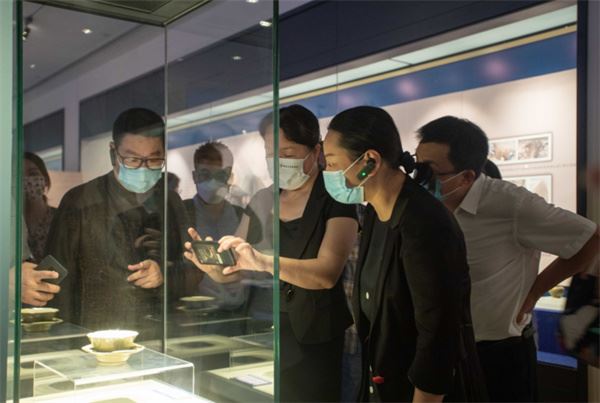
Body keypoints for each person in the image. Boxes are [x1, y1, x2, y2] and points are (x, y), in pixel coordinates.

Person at [414, 115, 599, 402]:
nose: (421, 179)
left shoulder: (511, 204)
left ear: (466, 176)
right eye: (418, 167)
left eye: (431, 172)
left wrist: (536, 290)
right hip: (440, 349)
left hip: (496, 356)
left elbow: (591, 239)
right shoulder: (427, 207)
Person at [184, 104, 358, 402]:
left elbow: (326, 274)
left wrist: (264, 262)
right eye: (270, 153)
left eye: (287, 153)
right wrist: (215, 268)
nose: (278, 161)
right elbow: (238, 267)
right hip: (262, 328)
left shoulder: (336, 198)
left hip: (314, 336)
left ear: (315, 151)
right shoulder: (264, 199)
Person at [320, 106, 485, 402]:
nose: (328, 173)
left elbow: (438, 333)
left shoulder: (424, 222)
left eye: (332, 163)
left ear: (369, 161)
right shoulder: (375, 213)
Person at [47, 108, 197, 338]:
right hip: (95, 334)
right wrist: (62, 341)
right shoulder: (81, 202)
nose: (143, 169)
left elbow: (192, 268)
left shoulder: (171, 202)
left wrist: (164, 274)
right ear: (113, 153)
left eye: (154, 160)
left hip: (162, 332)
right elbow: (58, 281)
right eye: (133, 160)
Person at [184, 141, 247, 309]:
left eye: (219, 175)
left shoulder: (243, 217)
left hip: (240, 310)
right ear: (195, 176)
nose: (212, 182)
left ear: (229, 176)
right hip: (194, 311)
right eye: (205, 174)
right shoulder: (181, 214)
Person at [23, 152, 56, 262]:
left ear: (45, 179)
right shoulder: (10, 223)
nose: (27, 180)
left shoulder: (61, 218)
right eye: (19, 175)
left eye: (33, 174)